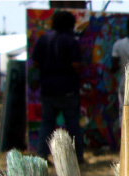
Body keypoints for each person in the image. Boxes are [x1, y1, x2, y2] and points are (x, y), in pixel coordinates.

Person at [32, 11, 85, 163]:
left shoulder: (43, 39)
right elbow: (76, 64)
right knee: (73, 123)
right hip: (68, 88)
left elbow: (36, 62)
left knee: (47, 123)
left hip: (47, 88)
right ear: (70, 24)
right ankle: (78, 157)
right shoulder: (71, 41)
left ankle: (41, 155)